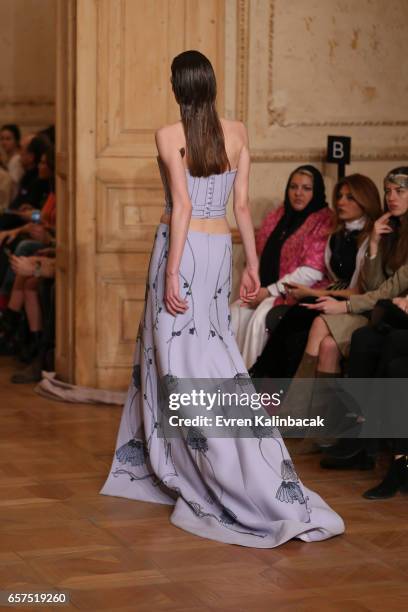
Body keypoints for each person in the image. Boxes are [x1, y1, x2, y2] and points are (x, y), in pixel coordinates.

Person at [101, 50, 344, 548]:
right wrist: (252, 264)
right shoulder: (238, 131)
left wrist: (171, 271)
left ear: (177, 86)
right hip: (217, 253)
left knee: (173, 361)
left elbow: (183, 204)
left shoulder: (169, 135)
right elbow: (238, 205)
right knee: (213, 359)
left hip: (181, 249)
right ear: (209, 84)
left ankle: (203, 465)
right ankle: (234, 459)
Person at [250, 174, 381, 379]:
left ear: (365, 201)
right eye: (339, 196)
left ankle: (261, 377)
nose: (340, 202)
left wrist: (310, 292)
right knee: (292, 320)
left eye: (349, 198)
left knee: (298, 315)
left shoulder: (371, 236)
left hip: (356, 300)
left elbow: (361, 289)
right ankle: (264, 379)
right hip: (335, 292)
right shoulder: (337, 233)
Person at [230, 165, 332, 368]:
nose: (298, 193)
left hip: (294, 293)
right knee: (234, 312)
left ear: (317, 191)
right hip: (265, 289)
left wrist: (269, 291)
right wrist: (255, 288)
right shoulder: (279, 216)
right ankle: (228, 378)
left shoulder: (323, 220)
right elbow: (259, 254)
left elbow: (311, 271)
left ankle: (252, 385)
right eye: (293, 187)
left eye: (306, 188)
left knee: (259, 320)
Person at [0, 124, 24, 200]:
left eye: (8, 139)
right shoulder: (8, 159)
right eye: (2, 139)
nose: (4, 142)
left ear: (16, 141)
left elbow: (12, 186)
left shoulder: (17, 160)